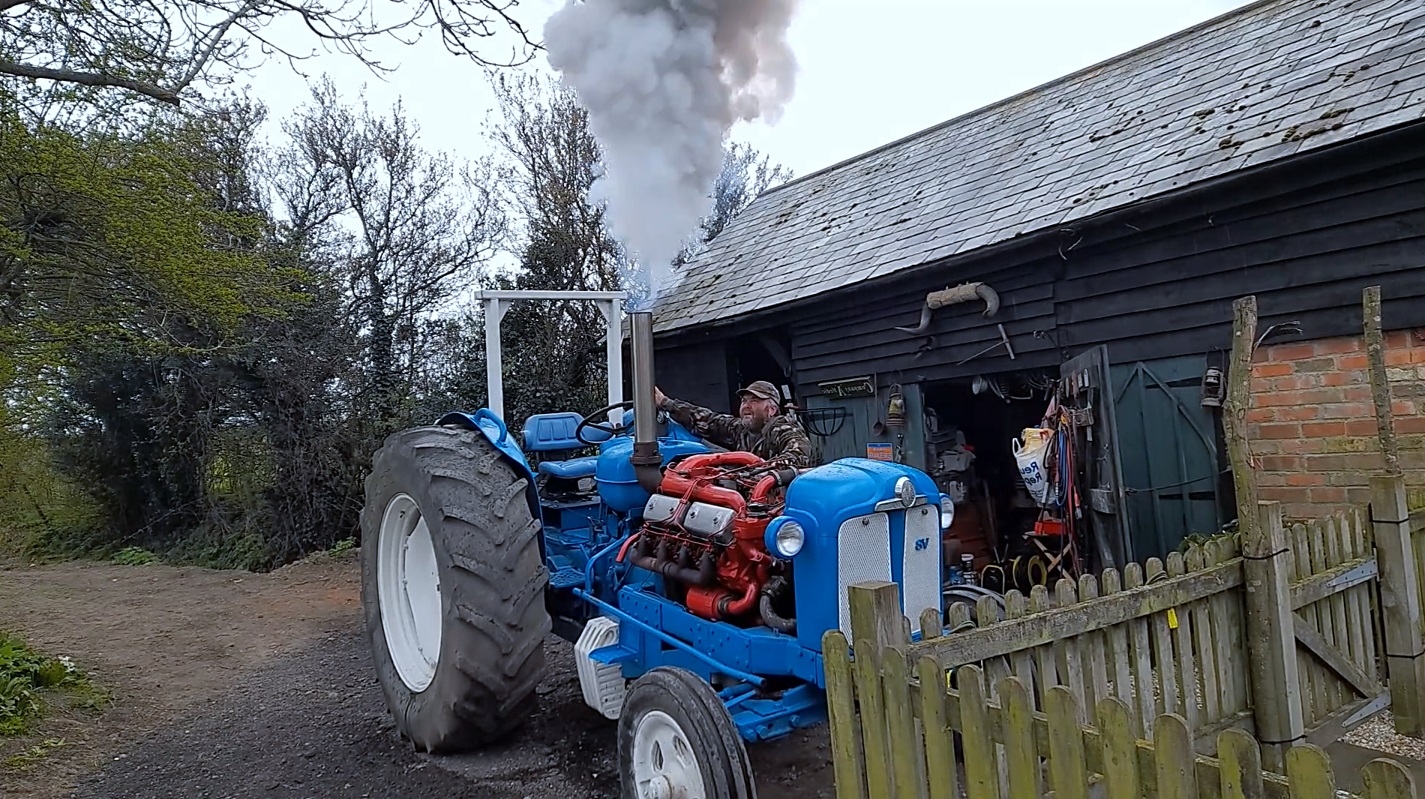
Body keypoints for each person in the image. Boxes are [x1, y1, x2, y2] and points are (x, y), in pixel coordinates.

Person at [654, 380, 812, 469]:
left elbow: (800, 454)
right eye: (744, 401)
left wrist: (761, 470)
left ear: (771, 410)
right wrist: (666, 403)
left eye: (755, 400)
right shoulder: (739, 429)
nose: (746, 405)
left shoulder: (783, 428)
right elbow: (708, 420)